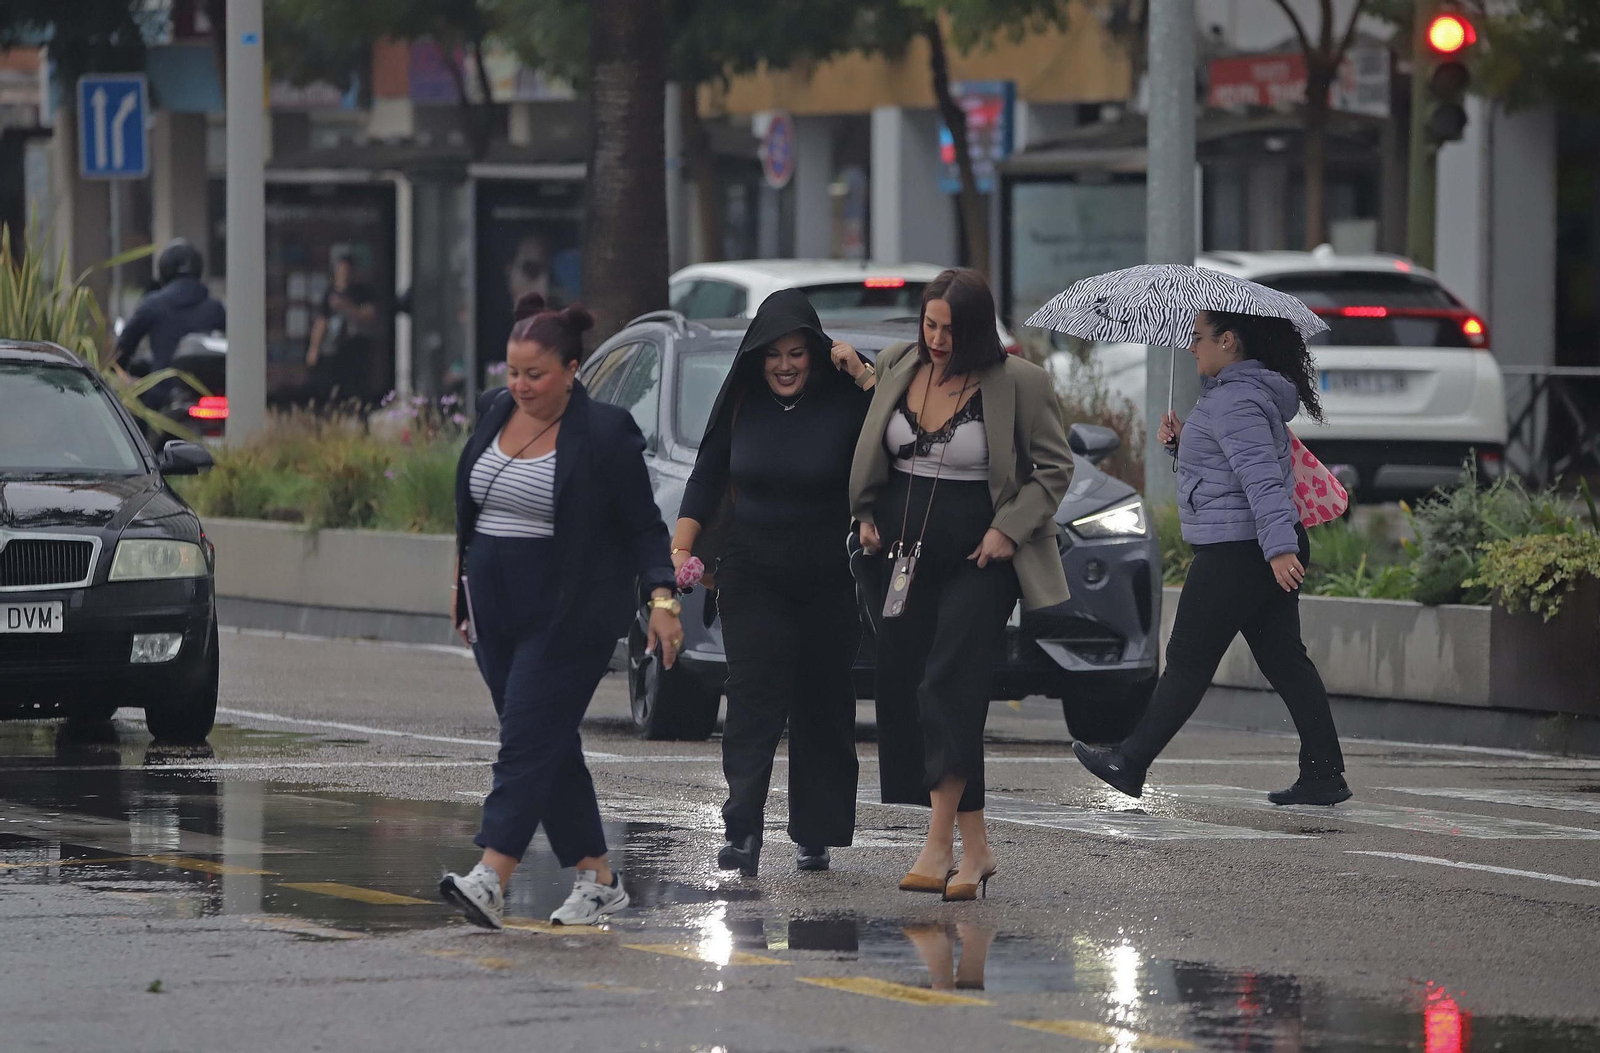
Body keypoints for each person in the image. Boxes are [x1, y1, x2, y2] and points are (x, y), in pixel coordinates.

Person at [439, 292, 682, 930]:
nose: (520, 385)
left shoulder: (604, 433)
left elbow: (643, 529)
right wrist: (460, 590)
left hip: (567, 615)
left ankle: (492, 876)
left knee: (523, 742)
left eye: (535, 374)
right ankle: (598, 877)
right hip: (495, 612)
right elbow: (474, 513)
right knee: (546, 745)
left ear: (572, 369)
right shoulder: (495, 412)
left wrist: (662, 600)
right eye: (513, 371)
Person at [849, 268, 1074, 901]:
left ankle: (939, 843)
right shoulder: (897, 363)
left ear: (976, 329)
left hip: (981, 559)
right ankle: (977, 852)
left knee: (947, 681)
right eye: (930, 324)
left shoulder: (1019, 383)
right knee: (915, 690)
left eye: (951, 329)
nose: (938, 339)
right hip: (899, 556)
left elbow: (1054, 468)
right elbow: (871, 443)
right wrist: (865, 514)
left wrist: (1009, 529)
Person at [1072, 311, 1350, 806]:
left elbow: (1262, 478)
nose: (1191, 347)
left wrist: (1280, 548)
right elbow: (1231, 468)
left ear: (1229, 341)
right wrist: (1183, 441)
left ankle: (1130, 762)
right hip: (1252, 545)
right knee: (1285, 661)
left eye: (1198, 338)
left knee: (1186, 661)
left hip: (1239, 550)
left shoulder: (1235, 401)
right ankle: (1324, 772)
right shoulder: (1234, 396)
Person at [671, 288, 877, 877]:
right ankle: (741, 832)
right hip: (751, 573)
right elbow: (706, 475)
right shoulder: (742, 403)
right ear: (756, 358)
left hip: (829, 577)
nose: (785, 366)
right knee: (754, 701)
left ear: (815, 353)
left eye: (797, 354)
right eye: (773, 355)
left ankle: (816, 833)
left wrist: (859, 371)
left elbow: (896, 436)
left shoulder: (844, 402)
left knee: (822, 704)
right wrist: (682, 548)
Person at [113, 239, 225, 372]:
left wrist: (113, 373)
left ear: (164, 269)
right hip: (209, 388)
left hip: (163, 389)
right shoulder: (216, 308)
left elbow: (123, 349)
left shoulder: (153, 304)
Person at [306, 253, 379, 406]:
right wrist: (314, 349)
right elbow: (322, 322)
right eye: (340, 271)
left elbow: (369, 314)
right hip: (334, 349)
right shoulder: (330, 294)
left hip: (356, 347)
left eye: (347, 271)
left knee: (355, 388)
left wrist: (346, 307)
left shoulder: (361, 292)